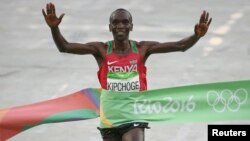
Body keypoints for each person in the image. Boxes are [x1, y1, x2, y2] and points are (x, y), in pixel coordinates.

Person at [42, 2, 212, 141]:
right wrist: (54, 28)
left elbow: (179, 46)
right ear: (110, 27)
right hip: (110, 118)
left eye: (125, 22)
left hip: (135, 114)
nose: (120, 26)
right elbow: (65, 47)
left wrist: (196, 36)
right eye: (116, 22)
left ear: (131, 26)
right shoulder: (101, 50)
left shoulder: (142, 48)